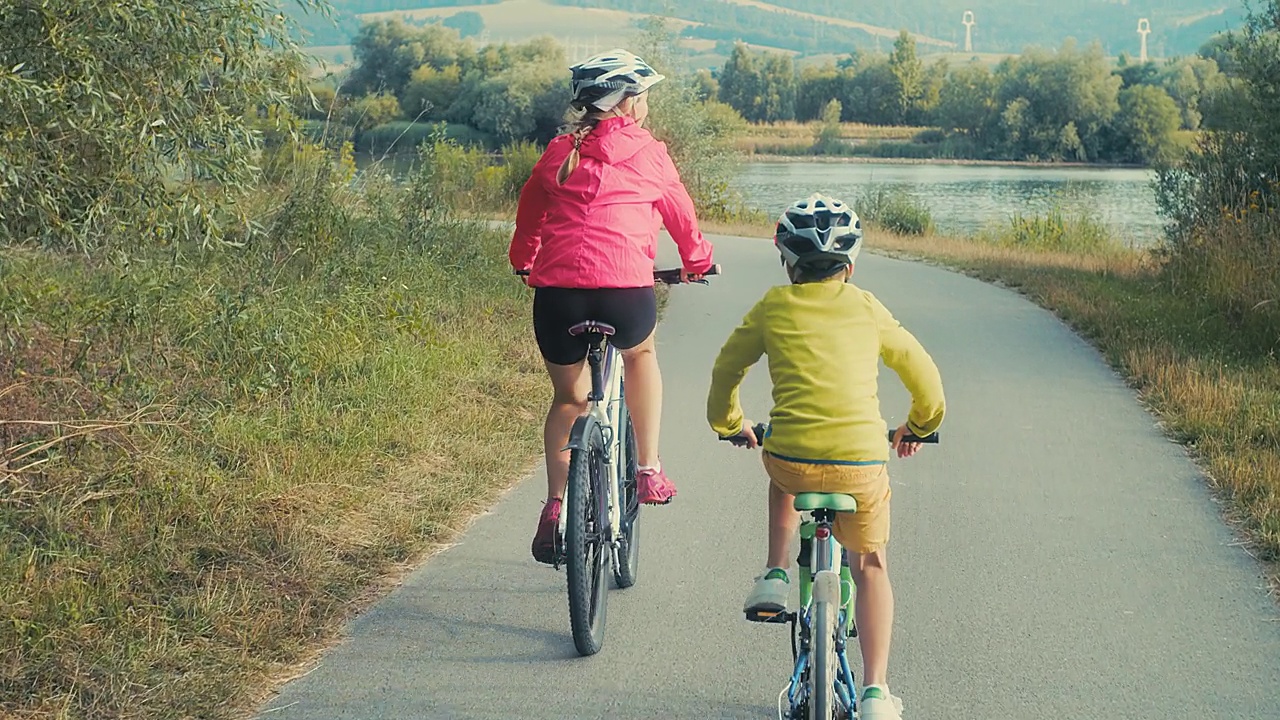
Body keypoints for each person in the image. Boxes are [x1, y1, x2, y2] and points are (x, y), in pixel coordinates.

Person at [705, 193, 944, 719]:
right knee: (871, 565)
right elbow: (924, 375)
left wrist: (730, 424)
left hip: (791, 455)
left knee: (781, 470)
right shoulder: (866, 306)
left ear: (787, 263)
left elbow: (727, 369)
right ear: (850, 266)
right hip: (861, 466)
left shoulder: (772, 305)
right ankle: (877, 693)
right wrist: (918, 427)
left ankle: (774, 572)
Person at [510, 49, 716, 565]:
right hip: (626, 294)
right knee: (641, 356)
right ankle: (648, 470)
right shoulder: (649, 152)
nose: (645, 102)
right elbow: (681, 218)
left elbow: (529, 215)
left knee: (567, 399)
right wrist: (697, 261)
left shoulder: (558, 151)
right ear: (626, 103)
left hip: (558, 297)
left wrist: (523, 260)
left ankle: (556, 507)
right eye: (641, 94)